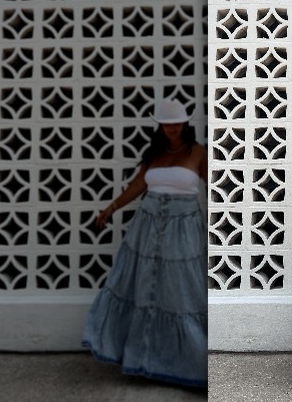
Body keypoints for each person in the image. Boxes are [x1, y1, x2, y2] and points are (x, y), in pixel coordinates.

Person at [82, 99, 208, 388]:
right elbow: (139, 185)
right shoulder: (155, 153)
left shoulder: (198, 152)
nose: (172, 128)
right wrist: (111, 208)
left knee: (180, 291)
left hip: (183, 225)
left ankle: (188, 363)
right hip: (147, 224)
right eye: (167, 123)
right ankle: (142, 359)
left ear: (184, 123)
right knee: (144, 288)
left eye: (176, 123)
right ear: (161, 126)